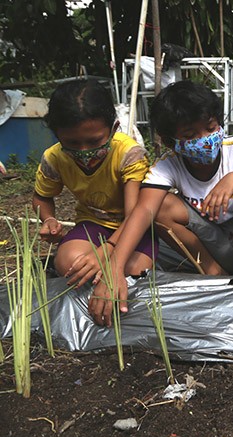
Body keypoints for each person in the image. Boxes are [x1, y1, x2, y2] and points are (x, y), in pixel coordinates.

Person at [87, 80, 233, 327]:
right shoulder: (168, 165)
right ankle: (214, 273)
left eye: (211, 128)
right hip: (214, 245)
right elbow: (143, 211)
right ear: (172, 141)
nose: (204, 140)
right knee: (159, 205)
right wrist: (114, 270)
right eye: (191, 135)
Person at [34, 79, 155, 287]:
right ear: (57, 135)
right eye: (72, 143)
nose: (84, 151)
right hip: (93, 224)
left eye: (93, 141)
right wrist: (48, 219)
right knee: (72, 265)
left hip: (134, 227)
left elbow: (134, 214)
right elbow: (42, 196)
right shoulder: (54, 158)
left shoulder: (129, 154)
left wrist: (107, 249)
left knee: (134, 274)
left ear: (114, 128)